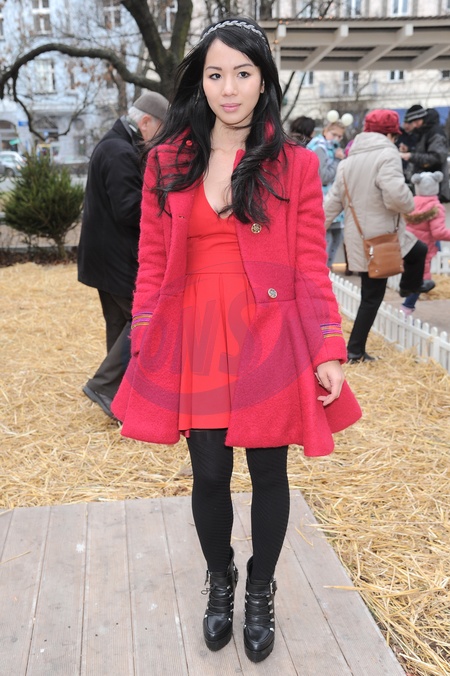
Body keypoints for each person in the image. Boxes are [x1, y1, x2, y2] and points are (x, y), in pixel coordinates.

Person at [111, 16, 361, 663]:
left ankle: (260, 588)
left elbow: (310, 266)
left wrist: (328, 346)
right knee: (210, 472)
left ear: (262, 81)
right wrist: (144, 339)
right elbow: (150, 262)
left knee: (269, 470)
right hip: (196, 336)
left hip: (268, 335)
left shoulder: (296, 165)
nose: (229, 88)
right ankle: (219, 579)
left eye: (243, 74)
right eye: (216, 73)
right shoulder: (166, 160)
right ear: (200, 80)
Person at [77, 92, 169, 418]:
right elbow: (129, 209)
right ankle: (105, 386)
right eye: (160, 130)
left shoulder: (114, 144)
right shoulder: (120, 151)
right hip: (116, 258)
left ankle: (118, 399)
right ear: (145, 122)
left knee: (120, 326)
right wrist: (166, 202)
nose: (161, 140)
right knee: (146, 320)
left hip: (103, 257)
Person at [324, 109, 427, 363]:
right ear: (390, 134)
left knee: (418, 250)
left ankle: (409, 287)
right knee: (372, 297)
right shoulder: (387, 154)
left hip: (361, 237)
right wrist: (409, 203)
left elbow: (332, 202)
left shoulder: (347, 162)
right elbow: (394, 196)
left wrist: (314, 229)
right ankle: (355, 351)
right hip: (381, 239)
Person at [401, 171, 450, 316]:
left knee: (411, 272)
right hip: (425, 246)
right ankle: (407, 308)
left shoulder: (411, 202)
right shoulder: (435, 207)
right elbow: (438, 233)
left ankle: (405, 294)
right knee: (422, 278)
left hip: (409, 244)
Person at [307, 120, 346, 267]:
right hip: (322, 198)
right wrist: (337, 160)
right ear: (325, 131)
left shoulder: (330, 148)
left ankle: (327, 269)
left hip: (329, 198)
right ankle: (323, 269)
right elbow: (323, 177)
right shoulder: (320, 148)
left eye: (339, 136)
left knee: (336, 236)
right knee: (326, 237)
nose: (336, 139)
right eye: (333, 134)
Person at [399, 108, 450, 203]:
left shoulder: (435, 133)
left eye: (416, 121)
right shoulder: (424, 133)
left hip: (434, 188)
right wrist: (409, 150)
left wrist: (411, 156)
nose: (415, 125)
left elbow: (436, 158)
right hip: (426, 187)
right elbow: (425, 153)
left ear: (423, 119)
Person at [396, 104, 426, 189]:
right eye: (405, 122)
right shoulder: (398, 135)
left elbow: (419, 151)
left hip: (414, 171)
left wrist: (409, 150)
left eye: (409, 123)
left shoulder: (417, 135)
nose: (407, 126)